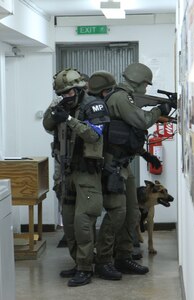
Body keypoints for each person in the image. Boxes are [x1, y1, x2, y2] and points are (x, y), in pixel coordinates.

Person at [88, 64, 171, 280]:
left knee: (133, 211)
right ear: (139, 81)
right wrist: (159, 110)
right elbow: (141, 120)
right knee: (117, 213)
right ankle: (104, 260)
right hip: (112, 164)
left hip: (123, 163)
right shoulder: (121, 98)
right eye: (146, 84)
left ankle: (124, 256)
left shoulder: (125, 97)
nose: (146, 88)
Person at [43, 68, 110, 287]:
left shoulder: (94, 106)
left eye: (69, 93)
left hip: (87, 173)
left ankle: (85, 268)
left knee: (83, 222)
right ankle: (78, 261)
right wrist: (54, 110)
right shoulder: (61, 104)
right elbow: (47, 125)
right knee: (69, 224)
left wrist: (70, 119)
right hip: (66, 172)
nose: (66, 98)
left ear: (79, 89)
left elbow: (93, 135)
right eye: (62, 94)